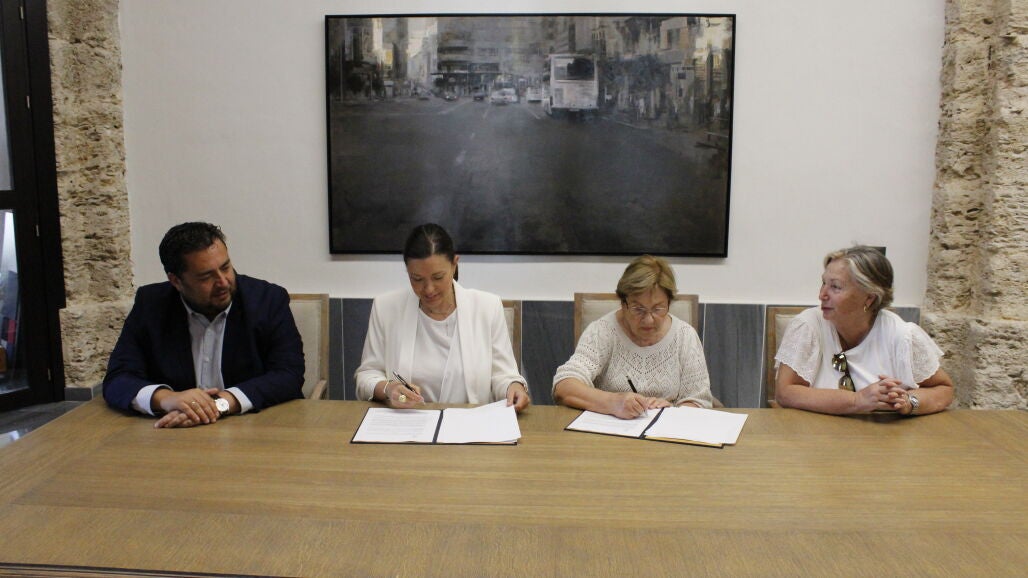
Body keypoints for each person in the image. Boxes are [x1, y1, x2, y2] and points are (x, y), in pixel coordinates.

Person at [103, 222, 305, 428]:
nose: (223, 282)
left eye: (226, 267)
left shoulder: (267, 300)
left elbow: (288, 374)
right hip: (172, 431)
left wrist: (220, 404)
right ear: (176, 281)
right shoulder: (151, 304)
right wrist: (166, 398)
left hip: (255, 428)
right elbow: (118, 378)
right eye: (206, 277)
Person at [355, 223, 530, 411]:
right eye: (417, 279)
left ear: (454, 264)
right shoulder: (386, 308)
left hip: (470, 422)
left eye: (438, 277)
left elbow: (503, 375)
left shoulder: (487, 307)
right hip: (409, 421)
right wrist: (389, 388)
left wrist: (514, 387)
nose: (429, 289)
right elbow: (367, 375)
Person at [775, 246, 954, 415]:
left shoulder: (902, 335)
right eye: (823, 283)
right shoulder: (808, 326)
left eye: (835, 286)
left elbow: (944, 389)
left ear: (869, 298)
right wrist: (857, 400)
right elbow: (785, 393)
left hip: (883, 435)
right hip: (815, 433)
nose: (822, 295)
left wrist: (908, 402)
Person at [553, 255, 713, 419]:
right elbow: (564, 386)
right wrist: (614, 402)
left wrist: (671, 411)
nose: (649, 320)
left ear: (669, 303)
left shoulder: (685, 336)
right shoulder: (603, 331)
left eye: (658, 309)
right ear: (623, 304)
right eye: (638, 309)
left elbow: (699, 401)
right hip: (610, 428)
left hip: (665, 430)